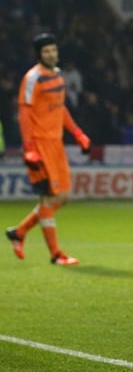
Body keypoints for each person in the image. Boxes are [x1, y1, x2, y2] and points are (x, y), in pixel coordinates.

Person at [5, 33, 92, 266]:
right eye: (46, 51)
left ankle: (19, 232)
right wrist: (29, 148)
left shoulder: (58, 75)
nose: (51, 54)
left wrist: (77, 133)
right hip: (40, 144)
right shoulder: (32, 78)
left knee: (63, 197)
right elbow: (24, 113)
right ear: (39, 54)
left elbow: (59, 108)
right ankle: (55, 254)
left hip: (56, 143)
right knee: (48, 197)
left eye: (53, 50)